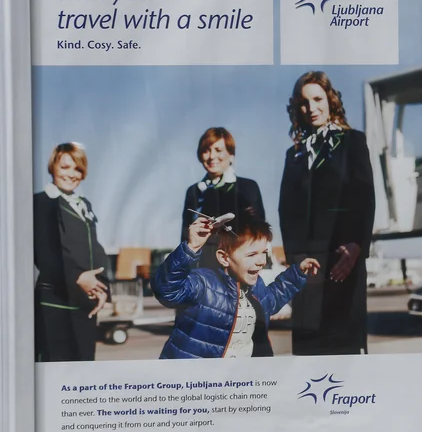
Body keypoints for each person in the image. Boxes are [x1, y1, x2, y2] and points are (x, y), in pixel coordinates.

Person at [278, 71, 376, 356]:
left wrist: (357, 245)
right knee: (310, 350)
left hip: (344, 260)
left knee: (344, 348)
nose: (312, 108)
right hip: (308, 267)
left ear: (330, 101)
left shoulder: (353, 142)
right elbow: (286, 210)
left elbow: (365, 198)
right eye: (304, 103)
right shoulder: (293, 154)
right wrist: (296, 260)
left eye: (318, 99)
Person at [151, 207, 320, 359]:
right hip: (196, 380)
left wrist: (297, 273)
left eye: (264, 253)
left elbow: (272, 300)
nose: (261, 261)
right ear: (224, 258)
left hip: (236, 380)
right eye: (252, 254)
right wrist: (191, 248)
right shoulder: (203, 284)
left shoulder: (256, 285)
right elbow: (167, 289)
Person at [33, 142, 110, 362]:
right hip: (55, 303)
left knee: (82, 371)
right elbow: (44, 252)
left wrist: (102, 287)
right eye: (65, 167)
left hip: (84, 303)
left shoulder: (83, 204)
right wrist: (79, 277)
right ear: (52, 168)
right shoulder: (41, 202)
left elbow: (95, 248)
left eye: (77, 168)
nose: (71, 174)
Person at [182, 127, 266, 269]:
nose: (211, 156)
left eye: (218, 150)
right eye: (206, 151)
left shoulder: (248, 187)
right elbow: (185, 236)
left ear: (231, 155)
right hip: (202, 269)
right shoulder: (193, 192)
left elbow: (259, 233)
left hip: (237, 266)